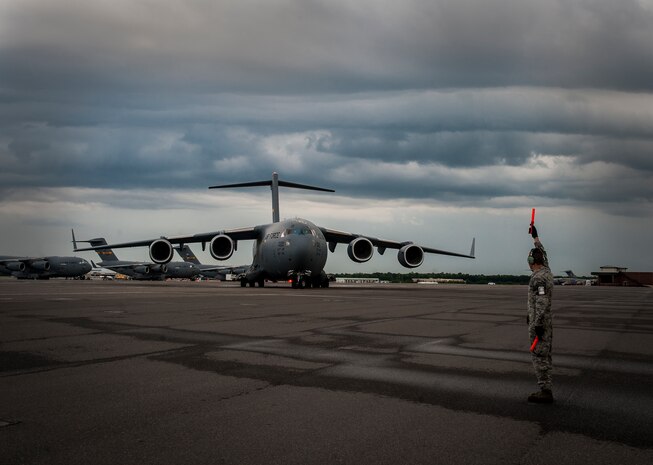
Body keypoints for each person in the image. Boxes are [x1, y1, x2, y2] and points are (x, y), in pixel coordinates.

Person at [526, 223, 554, 403]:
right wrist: (535, 237)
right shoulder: (547, 270)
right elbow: (543, 252)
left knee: (539, 356)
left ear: (532, 262)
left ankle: (545, 390)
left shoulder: (539, 278)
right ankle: (546, 387)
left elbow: (542, 303)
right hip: (545, 322)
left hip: (540, 324)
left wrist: (536, 324)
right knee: (545, 355)